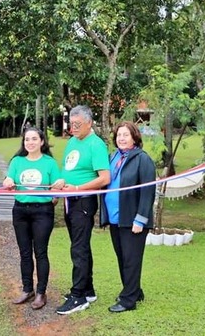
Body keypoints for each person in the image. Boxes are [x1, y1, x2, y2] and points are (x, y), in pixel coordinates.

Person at [56, 105, 110, 315]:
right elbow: (69, 170)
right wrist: (62, 182)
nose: (73, 127)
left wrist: (78, 187)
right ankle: (88, 290)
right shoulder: (72, 142)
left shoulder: (96, 145)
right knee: (80, 246)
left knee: (78, 249)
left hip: (83, 202)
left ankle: (78, 296)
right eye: (71, 124)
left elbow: (105, 178)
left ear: (89, 123)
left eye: (78, 124)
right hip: (69, 200)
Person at [3, 127, 64, 310]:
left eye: (34, 139)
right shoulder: (17, 161)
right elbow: (9, 181)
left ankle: (41, 293)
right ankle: (27, 289)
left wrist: (58, 186)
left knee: (41, 252)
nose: (30, 142)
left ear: (42, 142)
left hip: (42, 212)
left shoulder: (50, 163)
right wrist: (7, 182)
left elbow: (56, 190)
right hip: (20, 211)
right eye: (27, 139)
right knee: (24, 252)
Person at [100, 121, 156, 313]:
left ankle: (128, 300)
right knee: (123, 259)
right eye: (118, 135)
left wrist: (140, 219)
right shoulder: (113, 157)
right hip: (116, 219)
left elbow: (148, 191)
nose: (121, 138)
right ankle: (134, 291)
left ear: (134, 137)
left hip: (133, 221)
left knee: (131, 260)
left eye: (125, 135)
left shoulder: (143, 159)